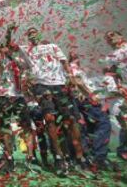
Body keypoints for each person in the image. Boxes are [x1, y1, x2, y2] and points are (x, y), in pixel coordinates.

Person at [19, 28, 85, 176]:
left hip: (60, 84)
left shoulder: (53, 46)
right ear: (28, 38)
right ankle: (58, 157)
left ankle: (79, 156)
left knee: (69, 120)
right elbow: (12, 49)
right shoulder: (26, 51)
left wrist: (71, 77)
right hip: (41, 85)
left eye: (34, 32)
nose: (32, 34)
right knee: (49, 119)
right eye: (29, 33)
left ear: (40, 34)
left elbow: (64, 61)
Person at [0, 42, 36, 173]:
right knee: (5, 128)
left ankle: (30, 157)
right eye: (3, 47)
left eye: (8, 47)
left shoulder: (16, 60)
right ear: (0, 49)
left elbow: (29, 66)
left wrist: (14, 54)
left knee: (26, 126)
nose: (6, 49)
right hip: (3, 96)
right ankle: (9, 157)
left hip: (18, 96)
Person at [68, 52, 113, 170]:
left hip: (76, 100)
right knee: (103, 123)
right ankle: (98, 157)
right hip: (83, 99)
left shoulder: (72, 69)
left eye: (76, 56)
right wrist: (90, 95)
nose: (76, 58)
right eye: (74, 56)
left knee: (84, 128)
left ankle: (87, 157)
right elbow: (78, 82)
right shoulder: (72, 68)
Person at [104, 31, 127, 161]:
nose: (110, 37)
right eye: (108, 38)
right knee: (124, 118)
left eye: (112, 35)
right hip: (126, 88)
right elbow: (111, 74)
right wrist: (117, 88)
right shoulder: (110, 57)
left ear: (121, 36)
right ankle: (124, 148)